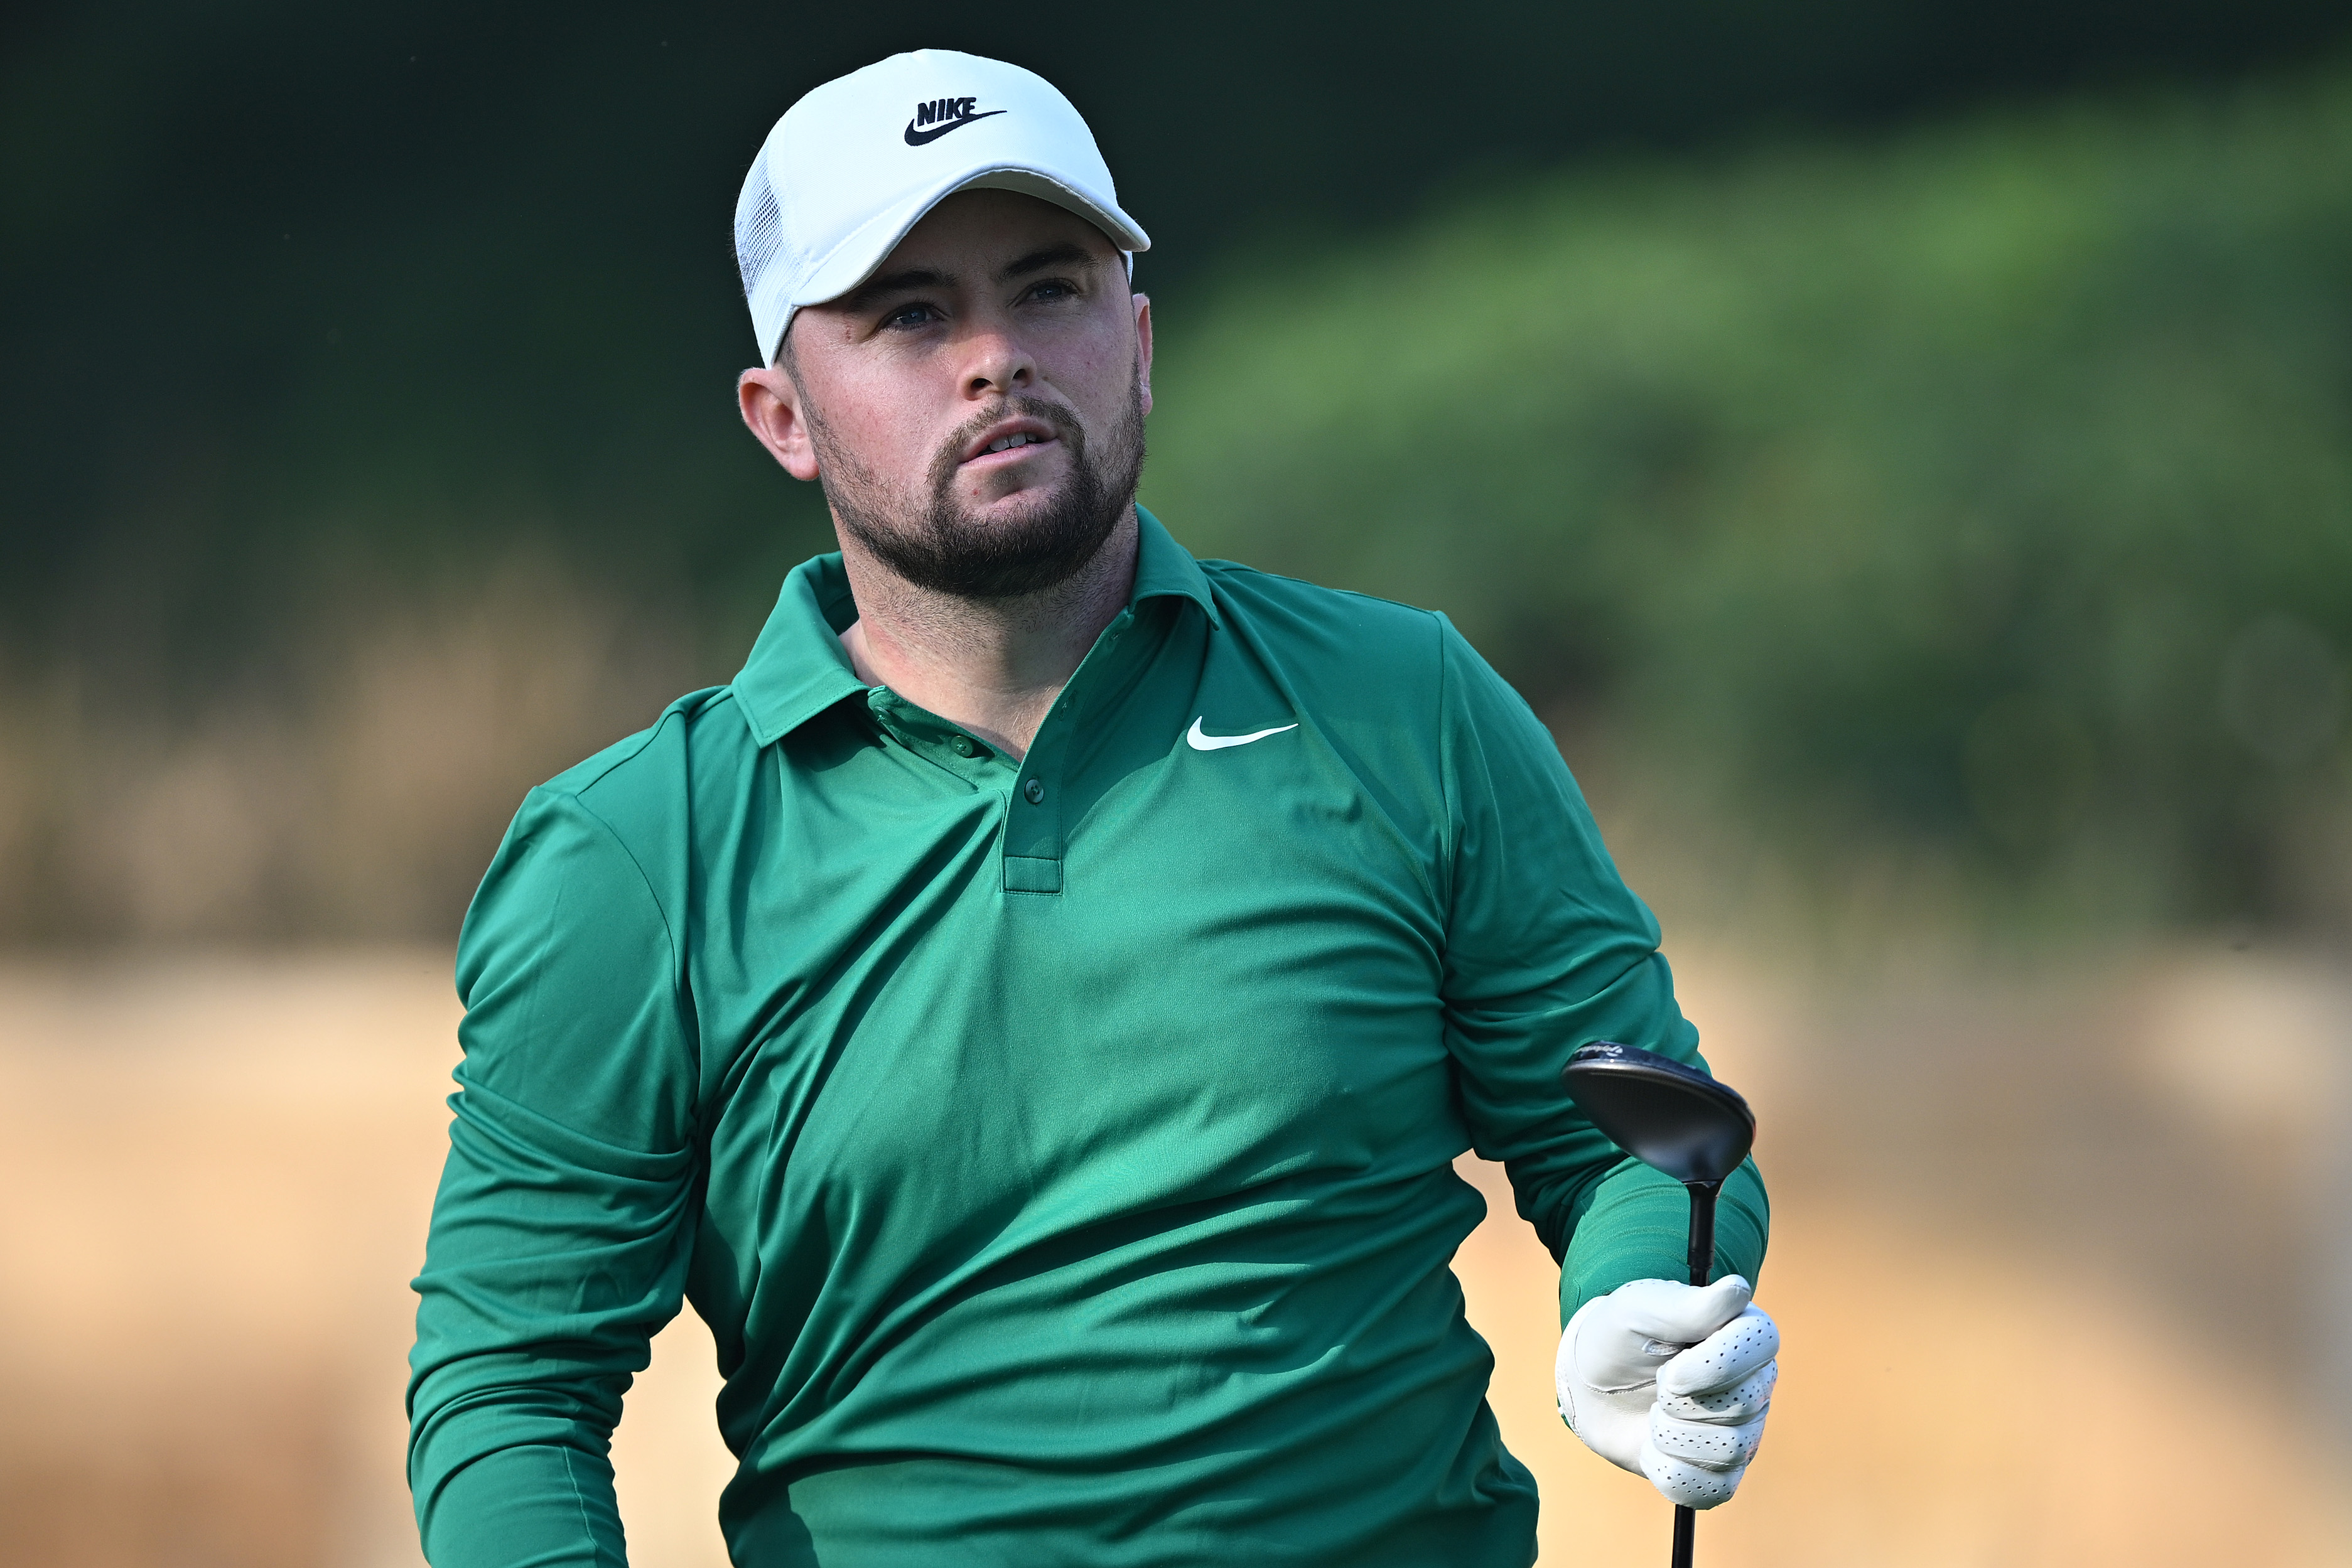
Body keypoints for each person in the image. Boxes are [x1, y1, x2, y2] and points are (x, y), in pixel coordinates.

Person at [407, 48, 1777, 1568]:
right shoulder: (636, 852)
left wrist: (1634, 1297)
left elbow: (1634, 1132)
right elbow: (512, 1390)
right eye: (909, 313)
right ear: (780, 415)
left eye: (1048, 286)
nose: (994, 355)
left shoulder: (1404, 705)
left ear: (1137, 343)